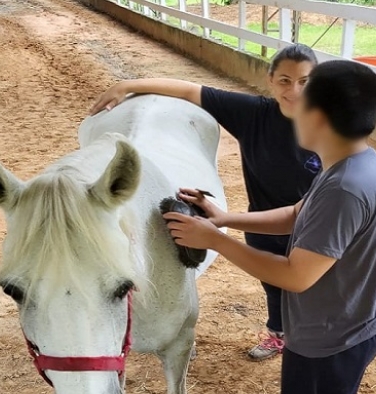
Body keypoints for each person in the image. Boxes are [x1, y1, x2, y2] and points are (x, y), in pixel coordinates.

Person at [163, 60, 376, 394]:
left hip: (331, 340)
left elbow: (294, 276)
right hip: (354, 319)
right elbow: (294, 215)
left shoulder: (345, 188)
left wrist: (216, 241)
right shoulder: (352, 162)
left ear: (316, 118)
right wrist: (224, 219)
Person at [90, 44, 320, 361]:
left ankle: (313, 337)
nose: (293, 90)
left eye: (304, 81)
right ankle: (279, 333)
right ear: (270, 79)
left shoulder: (329, 125)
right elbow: (188, 91)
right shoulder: (253, 114)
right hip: (262, 224)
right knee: (274, 282)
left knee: (312, 283)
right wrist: (127, 85)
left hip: (317, 224)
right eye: (284, 80)